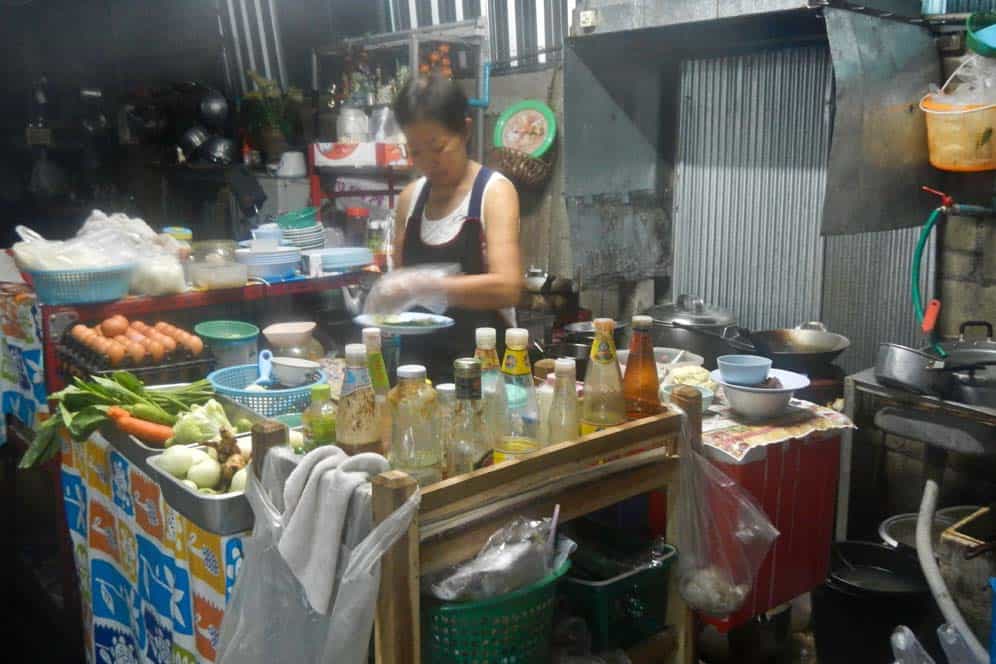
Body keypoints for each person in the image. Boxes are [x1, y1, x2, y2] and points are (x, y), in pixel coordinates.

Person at [378, 74, 523, 380]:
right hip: (419, 372)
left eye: (438, 147)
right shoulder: (410, 199)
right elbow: (403, 286)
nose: (429, 162)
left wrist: (430, 286)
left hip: (484, 373)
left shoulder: (493, 192)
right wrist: (389, 294)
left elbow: (509, 288)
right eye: (416, 152)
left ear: (465, 130)